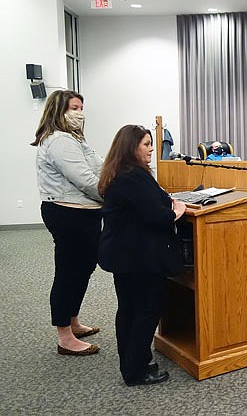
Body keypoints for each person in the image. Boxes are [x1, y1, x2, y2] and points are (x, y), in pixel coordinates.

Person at [98, 125, 187, 386]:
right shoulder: (132, 178)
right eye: (146, 144)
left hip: (127, 256)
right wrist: (177, 211)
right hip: (139, 258)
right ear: (131, 147)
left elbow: (160, 197)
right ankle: (136, 370)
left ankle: (132, 361)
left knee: (129, 310)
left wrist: (169, 203)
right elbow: (159, 213)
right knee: (144, 311)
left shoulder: (124, 173)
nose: (151, 149)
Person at [31, 90, 103, 356]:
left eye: (81, 107)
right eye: (74, 108)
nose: (79, 113)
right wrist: (115, 196)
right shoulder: (59, 141)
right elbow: (84, 179)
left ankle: (73, 321)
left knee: (83, 268)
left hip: (85, 212)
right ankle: (64, 336)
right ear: (59, 110)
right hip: (67, 213)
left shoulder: (75, 139)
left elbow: (99, 167)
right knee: (69, 271)